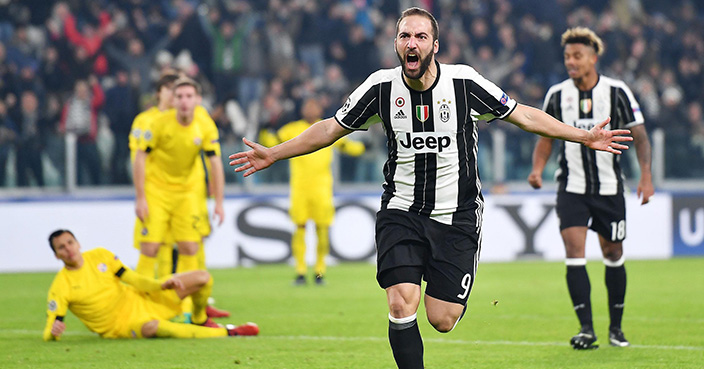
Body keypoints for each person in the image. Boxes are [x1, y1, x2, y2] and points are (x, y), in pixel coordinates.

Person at [229, 8, 632, 368]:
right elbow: (332, 128)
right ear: (396, 44)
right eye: (405, 36)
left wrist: (582, 136)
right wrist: (275, 154)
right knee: (401, 301)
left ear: (434, 46)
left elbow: (523, 115)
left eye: (421, 36)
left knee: (442, 319)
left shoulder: (464, 83)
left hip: (456, 215)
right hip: (401, 210)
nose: (412, 43)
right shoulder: (380, 87)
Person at [527, 27, 654, 350]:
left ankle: (616, 328)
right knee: (574, 252)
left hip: (609, 188)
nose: (571, 61)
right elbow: (546, 137)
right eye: (567, 56)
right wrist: (537, 169)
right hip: (571, 187)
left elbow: (639, 134)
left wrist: (646, 176)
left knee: (612, 252)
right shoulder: (557, 95)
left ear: (593, 58)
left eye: (577, 56)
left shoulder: (616, 91)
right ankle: (586, 329)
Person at [129, 72, 230, 319]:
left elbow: (215, 163)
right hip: (157, 191)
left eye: (189, 96)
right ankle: (137, 305)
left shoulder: (204, 123)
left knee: (189, 246)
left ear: (197, 99)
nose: (184, 101)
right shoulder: (156, 123)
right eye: (180, 96)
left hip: (187, 193)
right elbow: (139, 157)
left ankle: (185, 308)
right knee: (151, 246)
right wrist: (140, 196)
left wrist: (218, 201)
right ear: (172, 99)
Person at [43, 229, 258, 341]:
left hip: (144, 299)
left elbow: (132, 278)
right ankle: (229, 333)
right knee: (158, 328)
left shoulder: (100, 255)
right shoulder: (61, 286)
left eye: (70, 242)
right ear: (55, 256)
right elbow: (50, 330)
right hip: (125, 326)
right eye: (61, 248)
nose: (68, 249)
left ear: (78, 243)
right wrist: (54, 332)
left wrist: (160, 284)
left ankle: (200, 318)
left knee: (202, 277)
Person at [260, 97, 365, 285]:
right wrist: (264, 131)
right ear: (302, 109)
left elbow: (347, 146)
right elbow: (272, 142)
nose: (310, 108)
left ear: (319, 108)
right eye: (307, 104)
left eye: (314, 104)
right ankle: (300, 271)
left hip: (322, 188)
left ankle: (319, 271)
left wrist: (363, 147)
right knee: (299, 228)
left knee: (321, 229)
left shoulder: (327, 128)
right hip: (300, 188)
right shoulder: (291, 129)